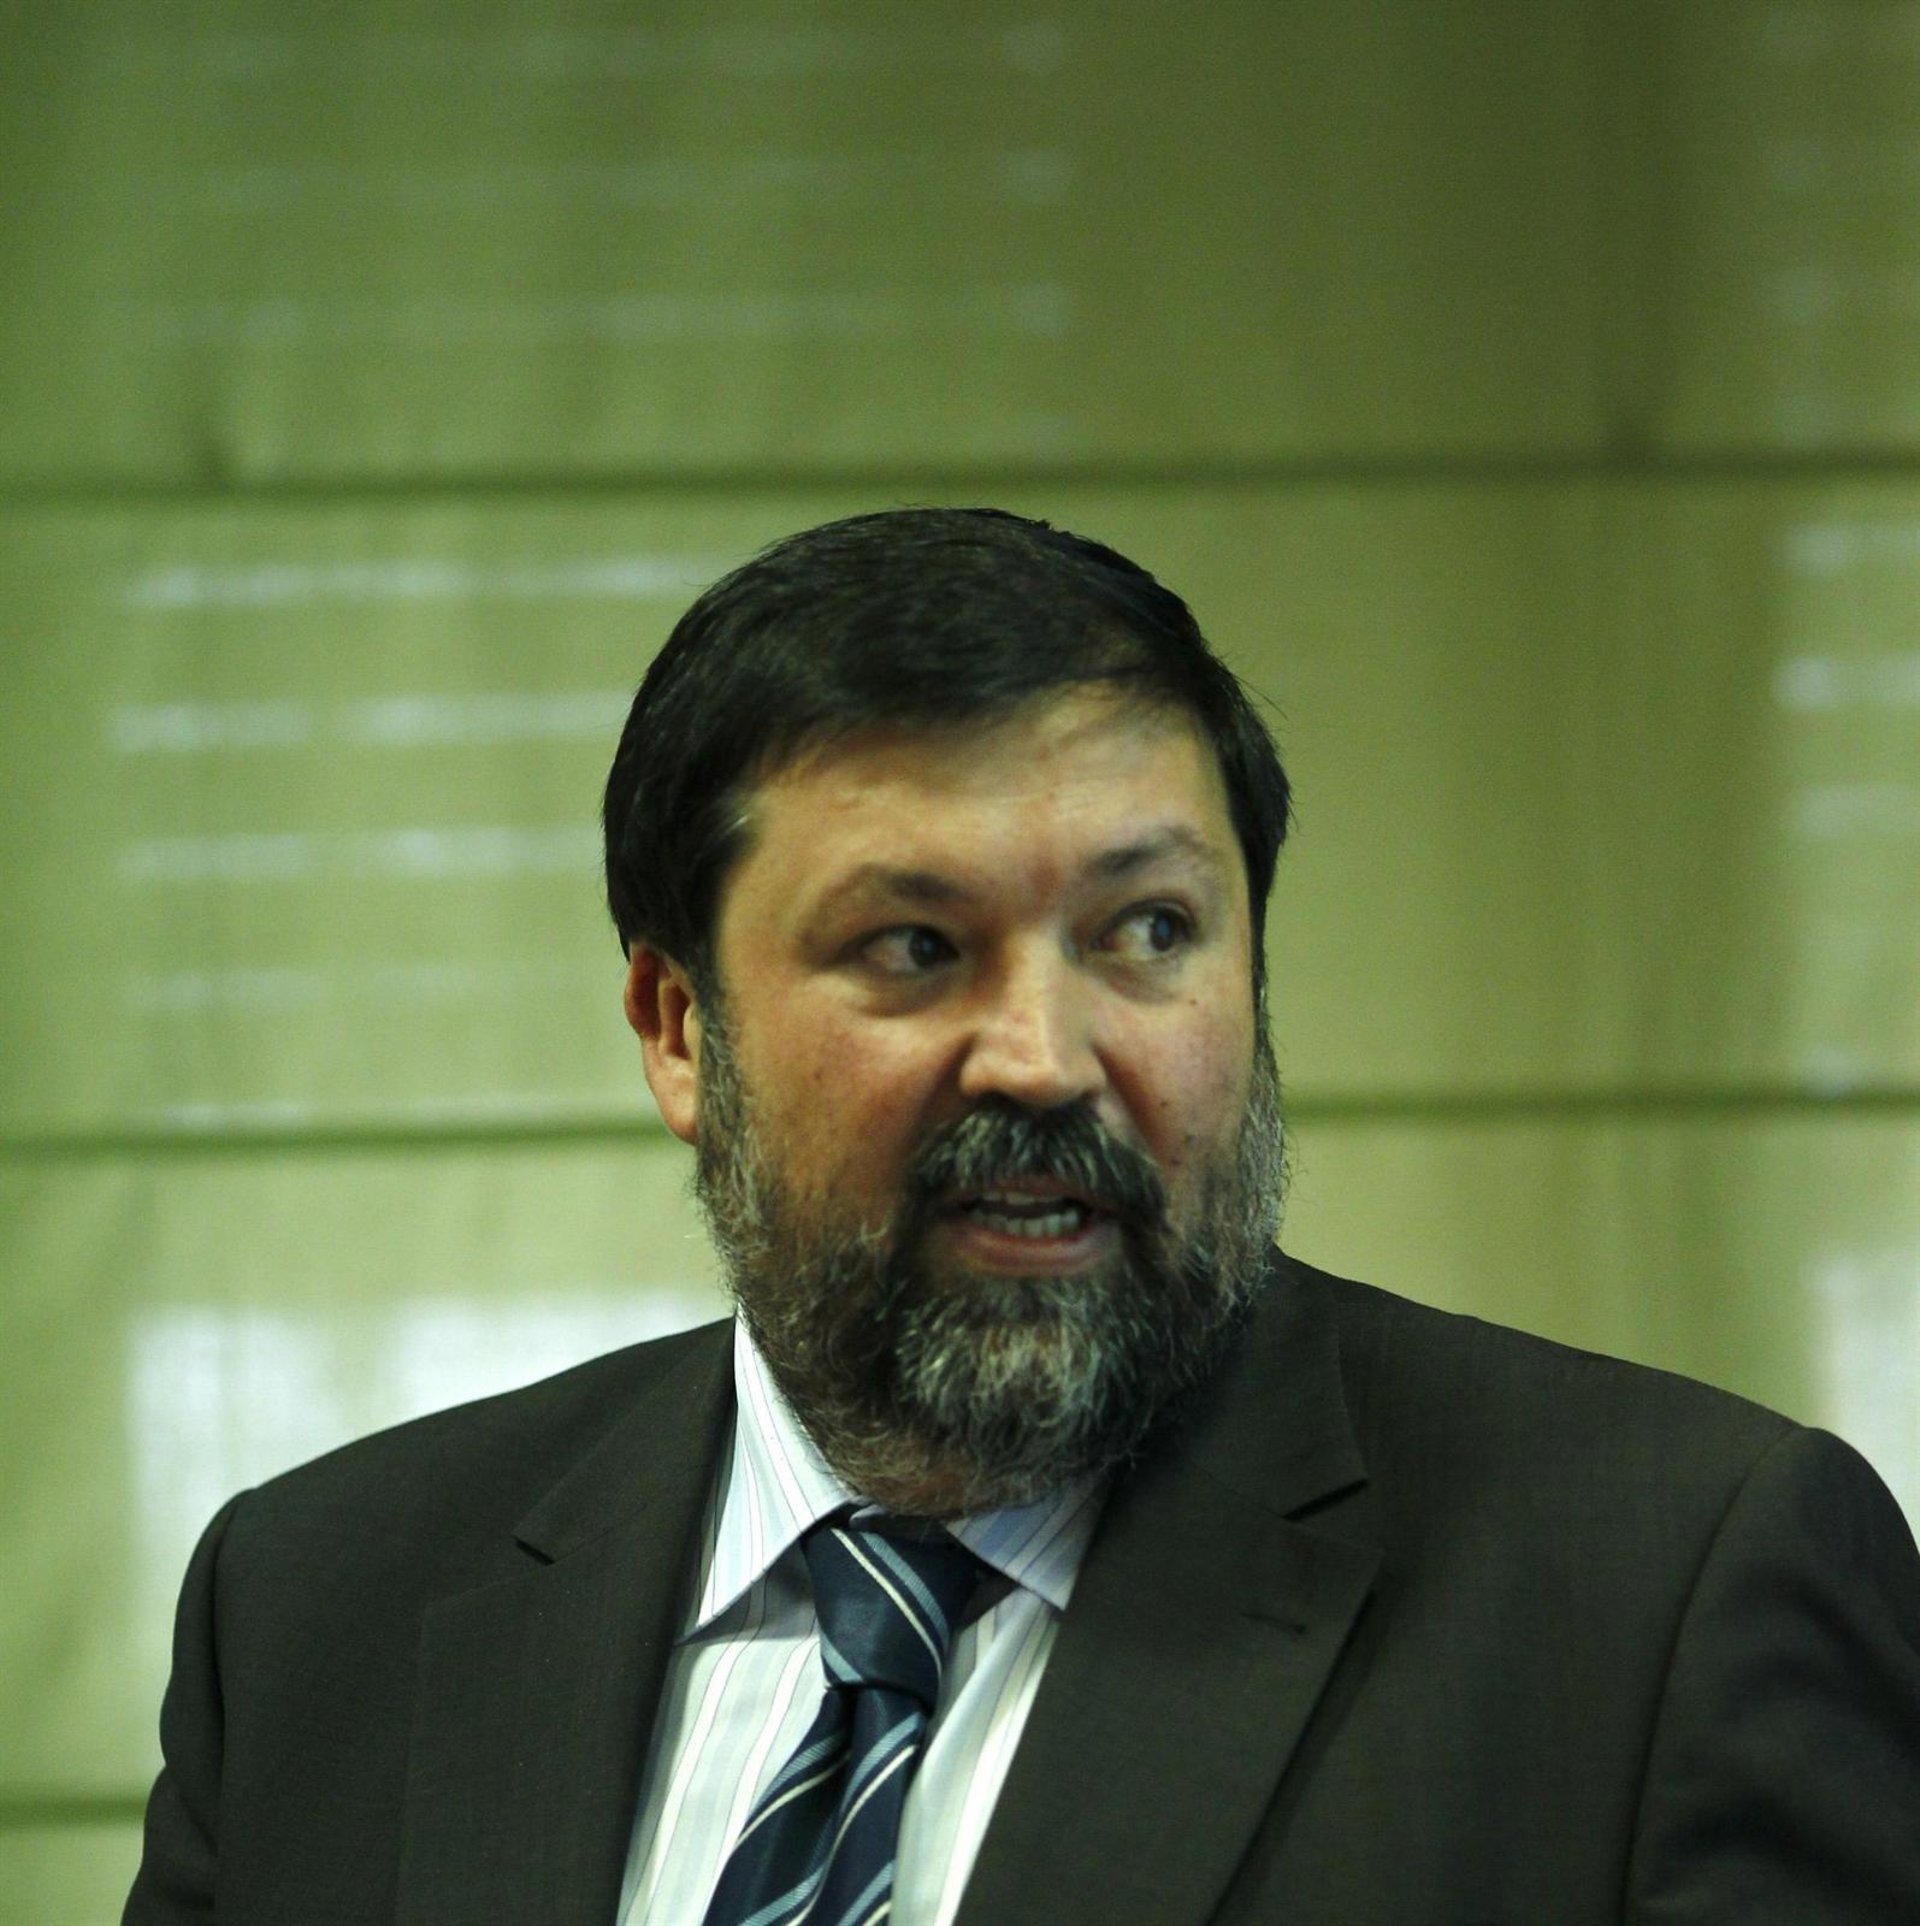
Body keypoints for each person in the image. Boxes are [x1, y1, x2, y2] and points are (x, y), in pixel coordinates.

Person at [125, 508, 1920, 1925]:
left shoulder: (1665, 1597)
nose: (1047, 1059)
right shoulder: (317, 1614)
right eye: (915, 946)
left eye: (1148, 930)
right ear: (680, 1030)